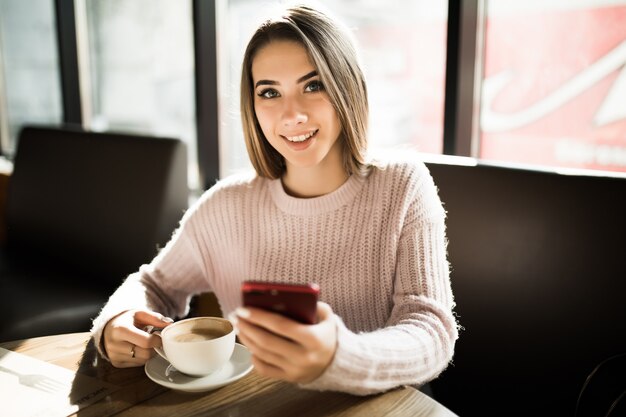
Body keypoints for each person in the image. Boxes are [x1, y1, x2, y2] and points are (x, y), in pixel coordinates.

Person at [91, 3, 459, 396]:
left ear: (347, 86)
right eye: (270, 92)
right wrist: (119, 319)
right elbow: (154, 284)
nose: (292, 114)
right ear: (252, 106)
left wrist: (340, 355)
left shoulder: (403, 185)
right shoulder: (225, 206)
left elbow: (431, 330)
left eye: (313, 85)